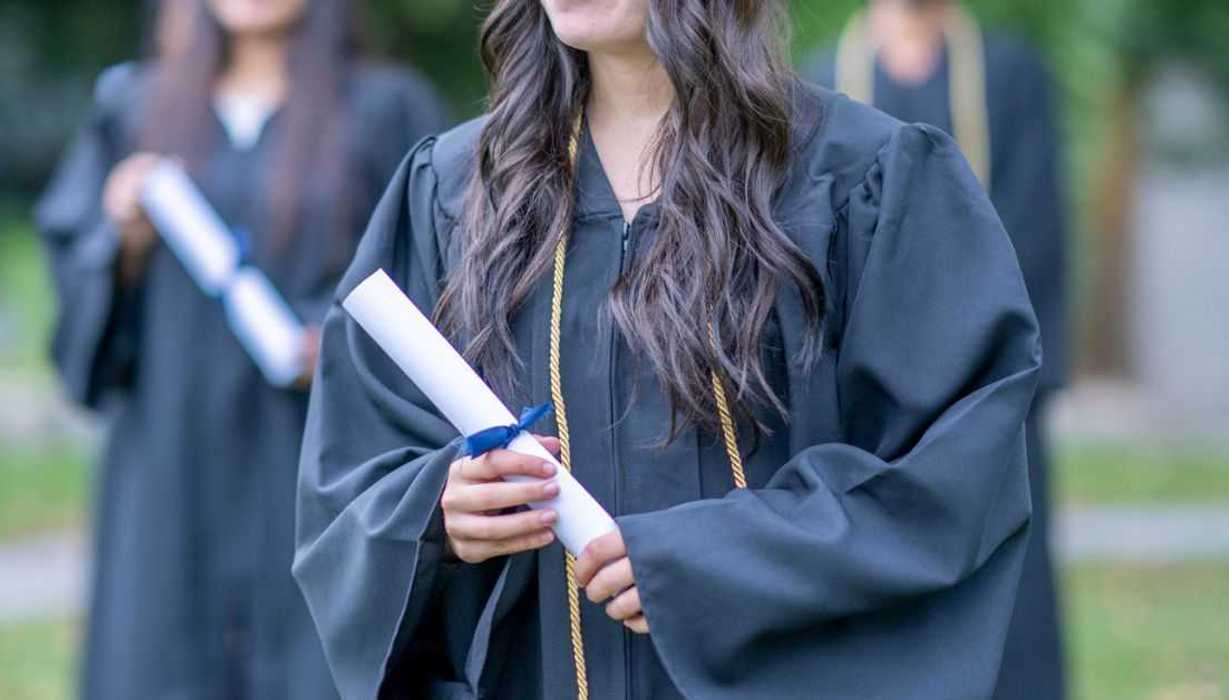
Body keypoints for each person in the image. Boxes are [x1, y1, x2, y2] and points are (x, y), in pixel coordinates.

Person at [294, 1, 1041, 698]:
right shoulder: (457, 193)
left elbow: (943, 478)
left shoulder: (859, 180)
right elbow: (351, 477)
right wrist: (436, 512)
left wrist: (717, 559)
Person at [34, 0, 445, 697]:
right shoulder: (136, 111)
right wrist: (121, 245)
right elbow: (81, 304)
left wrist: (343, 348)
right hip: (169, 475)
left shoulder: (385, 109)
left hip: (317, 464)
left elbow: (432, 280)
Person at [804, 2, 1069, 697]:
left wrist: (992, 359)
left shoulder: (1009, 70)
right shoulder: (822, 80)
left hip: (991, 379)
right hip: (869, 385)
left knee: (1013, 571)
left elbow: (1037, 224)